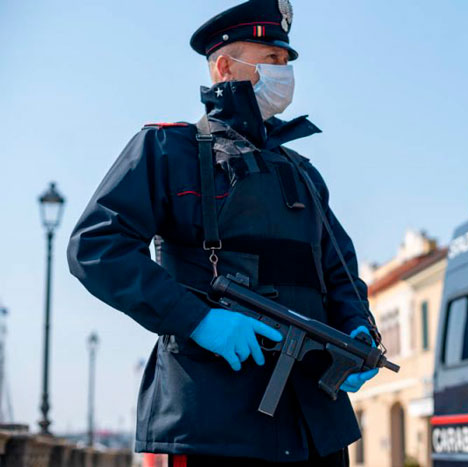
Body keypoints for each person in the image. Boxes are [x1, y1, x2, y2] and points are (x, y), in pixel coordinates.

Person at [66, 1, 380, 465]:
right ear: (225, 66)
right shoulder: (169, 151)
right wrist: (198, 320)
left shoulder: (303, 173)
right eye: (270, 58)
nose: (283, 71)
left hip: (315, 421)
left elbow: (339, 271)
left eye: (286, 61)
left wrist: (357, 328)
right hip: (215, 419)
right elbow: (95, 247)